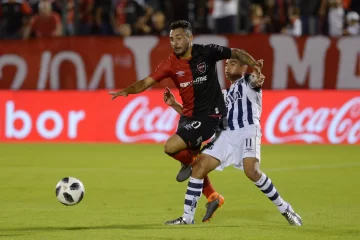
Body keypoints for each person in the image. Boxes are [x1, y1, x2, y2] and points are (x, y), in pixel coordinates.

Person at [109, 20, 263, 222]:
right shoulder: (170, 64)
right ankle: (213, 196)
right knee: (194, 162)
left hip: (210, 116)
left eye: (179, 37)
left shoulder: (207, 52)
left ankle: (191, 168)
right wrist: (128, 91)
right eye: (172, 39)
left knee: (171, 146)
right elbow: (146, 82)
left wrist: (253, 64)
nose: (175, 42)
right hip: (188, 117)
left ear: (190, 38)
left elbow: (235, 52)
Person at [163, 58, 302, 226]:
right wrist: (174, 104)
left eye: (233, 63)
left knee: (252, 172)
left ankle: (285, 208)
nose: (228, 66)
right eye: (227, 64)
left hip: (248, 130)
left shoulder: (248, 81)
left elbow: (257, 80)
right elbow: (197, 116)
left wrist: (257, 73)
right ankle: (187, 218)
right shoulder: (222, 95)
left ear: (244, 67)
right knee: (199, 166)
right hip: (226, 134)